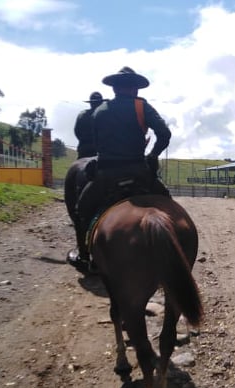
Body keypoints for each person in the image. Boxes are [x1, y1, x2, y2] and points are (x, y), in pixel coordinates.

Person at [69, 66, 172, 270]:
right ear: (135, 88)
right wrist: (153, 155)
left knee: (82, 211)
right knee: (167, 202)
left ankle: (84, 255)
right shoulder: (142, 107)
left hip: (107, 175)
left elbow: (98, 144)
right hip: (140, 172)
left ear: (114, 88)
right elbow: (164, 133)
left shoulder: (99, 111)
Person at [74, 91, 104, 158]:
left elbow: (77, 132)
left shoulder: (82, 114)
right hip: (100, 151)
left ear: (90, 103)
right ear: (101, 103)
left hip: (84, 150)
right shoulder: (103, 115)